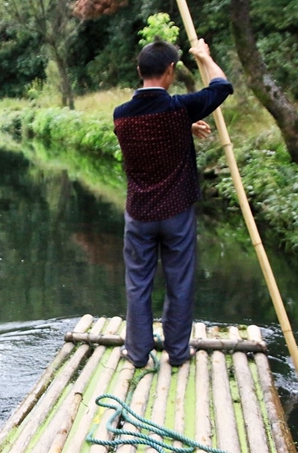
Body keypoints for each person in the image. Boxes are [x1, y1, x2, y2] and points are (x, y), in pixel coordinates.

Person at [113, 38, 233, 367]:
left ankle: (137, 353)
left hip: (139, 213)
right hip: (177, 212)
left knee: (138, 283)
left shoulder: (121, 115)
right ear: (171, 70)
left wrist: (185, 126)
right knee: (179, 280)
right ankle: (178, 353)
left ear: (139, 71)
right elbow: (222, 86)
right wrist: (204, 57)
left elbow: (150, 135)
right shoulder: (179, 108)